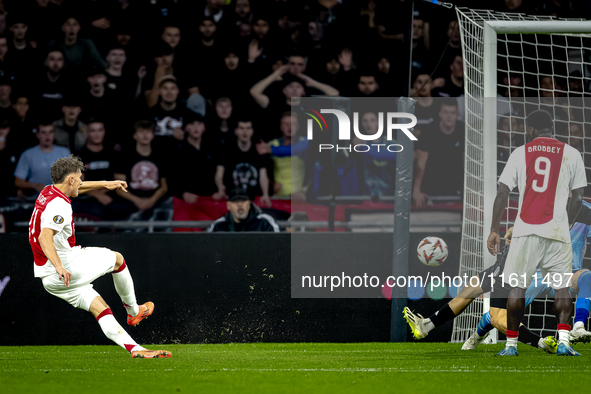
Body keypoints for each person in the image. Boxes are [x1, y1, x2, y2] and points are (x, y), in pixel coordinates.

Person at [28, 155, 171, 358]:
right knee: (118, 260)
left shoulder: (48, 191)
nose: (80, 182)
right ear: (70, 180)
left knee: (100, 308)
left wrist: (106, 184)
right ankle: (133, 311)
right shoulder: (59, 205)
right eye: (78, 178)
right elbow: (44, 237)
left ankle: (137, 350)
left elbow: (79, 187)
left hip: (49, 279)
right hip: (66, 266)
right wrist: (59, 265)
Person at [489, 109, 586, 356]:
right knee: (562, 287)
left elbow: (502, 192)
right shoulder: (572, 153)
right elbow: (578, 199)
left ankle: (510, 346)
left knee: (518, 288)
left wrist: (494, 230)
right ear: (551, 128)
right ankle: (564, 341)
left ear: (531, 129)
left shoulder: (520, 153)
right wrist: (566, 225)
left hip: (525, 230)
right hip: (557, 230)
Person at [402, 244, 559, 354]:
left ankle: (541, 343)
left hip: (513, 266)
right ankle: (427, 325)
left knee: (496, 319)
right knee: (468, 291)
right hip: (503, 261)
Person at [413, 99, 464, 207]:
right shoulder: (429, 131)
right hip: (430, 185)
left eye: (452, 113)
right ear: (440, 114)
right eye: (446, 112)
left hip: (455, 185)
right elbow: (420, 164)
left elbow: (467, 163)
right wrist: (416, 190)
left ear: (457, 115)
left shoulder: (463, 130)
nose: (449, 116)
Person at [113, 120, 169, 219]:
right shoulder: (124, 157)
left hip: (155, 202)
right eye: (141, 131)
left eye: (148, 131)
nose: (145, 135)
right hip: (130, 202)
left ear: (153, 135)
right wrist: (137, 200)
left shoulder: (160, 157)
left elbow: (164, 187)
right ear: (135, 135)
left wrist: (151, 201)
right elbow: (119, 188)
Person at [214, 118, 272, 206]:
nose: (245, 132)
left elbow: (263, 176)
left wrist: (265, 194)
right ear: (236, 131)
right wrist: (220, 188)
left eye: (248, 128)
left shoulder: (259, 151)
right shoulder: (226, 150)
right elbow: (219, 174)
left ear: (252, 131)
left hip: (253, 199)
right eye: (241, 128)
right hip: (232, 198)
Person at [14, 122, 71, 196]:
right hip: (36, 197)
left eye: (50, 132)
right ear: (38, 135)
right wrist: (34, 185)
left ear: (54, 134)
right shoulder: (28, 154)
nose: (47, 136)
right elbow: (18, 181)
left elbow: (79, 176)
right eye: (43, 132)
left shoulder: (64, 152)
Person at [207, 188, 279, 232]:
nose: (240, 204)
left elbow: (276, 246)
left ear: (249, 204)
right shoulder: (219, 225)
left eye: (243, 201)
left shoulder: (264, 222)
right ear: (228, 205)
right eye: (235, 201)